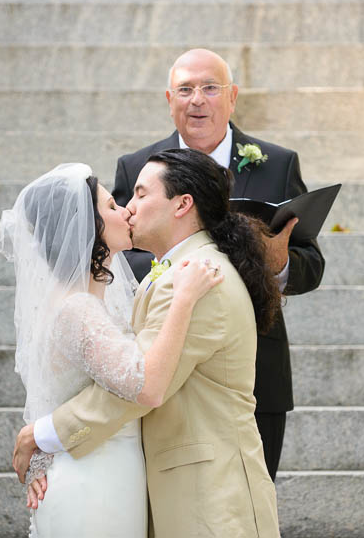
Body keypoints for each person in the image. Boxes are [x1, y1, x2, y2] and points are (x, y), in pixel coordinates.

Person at [13, 149, 283, 537]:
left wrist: (42, 434)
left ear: (182, 204)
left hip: (212, 496)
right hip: (141, 482)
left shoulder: (197, 277)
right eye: (118, 201)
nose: (128, 208)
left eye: (140, 194)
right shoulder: (174, 275)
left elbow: (139, 386)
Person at [112, 48, 326, 479]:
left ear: (232, 97)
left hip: (253, 372)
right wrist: (172, 265)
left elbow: (311, 264)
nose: (198, 100)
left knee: (251, 501)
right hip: (162, 368)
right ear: (168, 99)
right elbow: (116, 253)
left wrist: (278, 264)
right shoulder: (136, 167)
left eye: (210, 88)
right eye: (186, 89)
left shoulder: (278, 163)